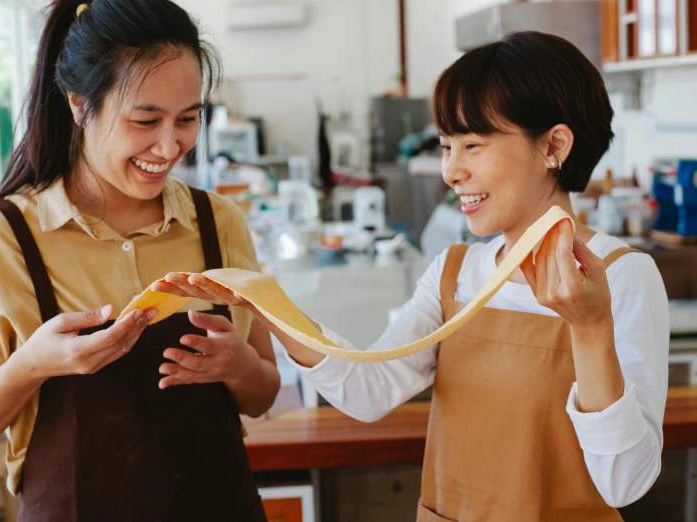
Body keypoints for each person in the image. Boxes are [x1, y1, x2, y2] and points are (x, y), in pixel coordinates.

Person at [160, 32, 669, 521]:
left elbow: (625, 483)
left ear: (553, 145)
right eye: (447, 146)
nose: (451, 171)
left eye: (472, 145)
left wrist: (590, 327)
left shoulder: (621, 277)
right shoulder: (455, 271)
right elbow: (370, 389)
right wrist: (268, 305)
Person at [0, 1, 278, 520]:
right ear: (78, 104)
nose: (169, 144)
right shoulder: (1, 239)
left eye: (188, 119)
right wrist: (30, 367)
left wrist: (239, 365)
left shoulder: (218, 222)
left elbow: (260, 395)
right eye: (145, 119)